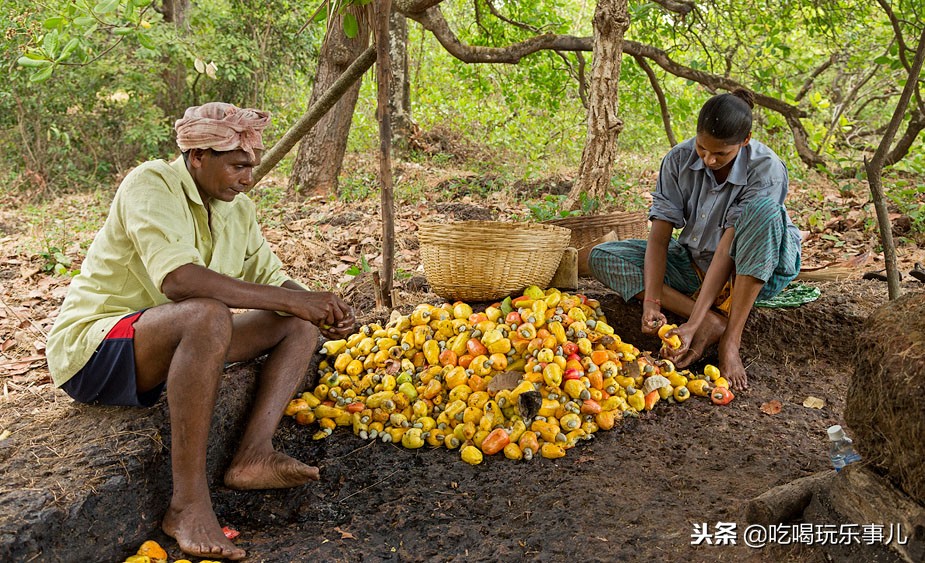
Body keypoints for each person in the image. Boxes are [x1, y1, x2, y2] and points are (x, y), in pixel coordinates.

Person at [46, 102, 355, 560]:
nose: (247, 178)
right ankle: (187, 504)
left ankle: (253, 455)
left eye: (251, 166)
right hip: (96, 351)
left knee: (295, 323)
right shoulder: (150, 184)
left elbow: (272, 280)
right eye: (237, 166)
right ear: (196, 158)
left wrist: (317, 304)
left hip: (170, 343)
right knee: (207, 313)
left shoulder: (238, 209)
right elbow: (179, 281)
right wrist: (291, 299)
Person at [589, 89, 801, 391]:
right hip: (696, 263)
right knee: (602, 256)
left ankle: (730, 338)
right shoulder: (678, 160)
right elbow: (660, 239)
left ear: (745, 140)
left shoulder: (766, 168)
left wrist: (690, 325)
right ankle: (713, 322)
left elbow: (727, 249)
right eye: (702, 148)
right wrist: (652, 301)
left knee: (764, 211)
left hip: (749, 271)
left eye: (721, 154)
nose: (709, 159)